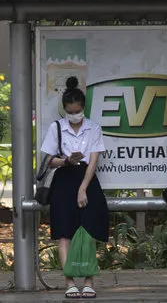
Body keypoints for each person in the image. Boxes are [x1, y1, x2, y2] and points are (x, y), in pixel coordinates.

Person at [41, 76, 109, 299]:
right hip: (63, 178)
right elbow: (49, 160)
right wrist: (66, 161)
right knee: (64, 232)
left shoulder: (93, 129)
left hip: (86, 178)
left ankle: (89, 281)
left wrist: (83, 188)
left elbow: (94, 160)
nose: (74, 115)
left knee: (90, 229)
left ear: (83, 108)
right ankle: (69, 282)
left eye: (77, 111)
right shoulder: (57, 128)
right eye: (70, 112)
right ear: (65, 110)